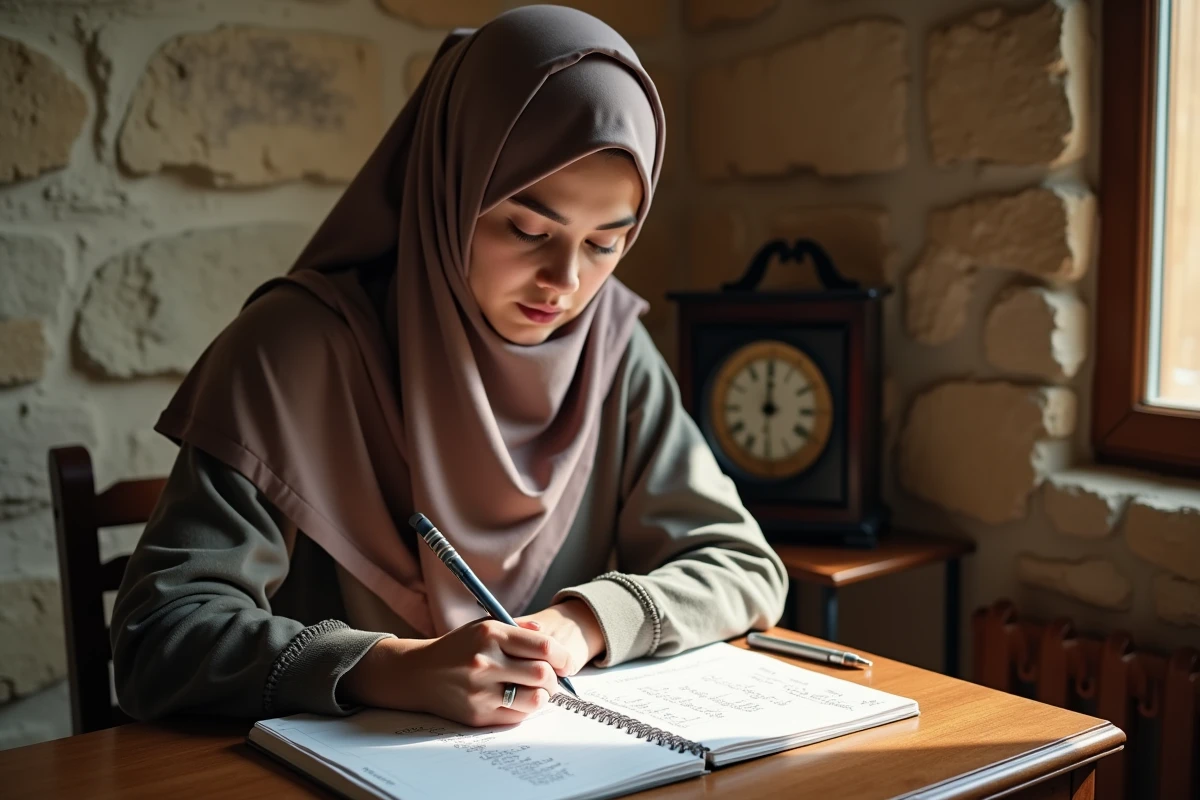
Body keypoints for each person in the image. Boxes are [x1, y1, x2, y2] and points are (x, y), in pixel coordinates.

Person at [110, 5, 787, 730]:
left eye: (605, 243)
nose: (565, 283)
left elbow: (742, 566)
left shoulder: (610, 349)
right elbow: (159, 639)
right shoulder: (293, 349)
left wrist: (582, 622)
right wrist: (386, 666)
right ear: (449, 188)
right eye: (527, 228)